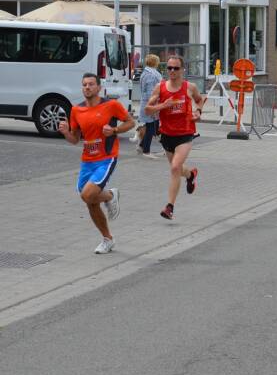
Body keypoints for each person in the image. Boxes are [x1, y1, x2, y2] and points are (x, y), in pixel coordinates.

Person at [58, 73, 135, 254]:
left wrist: (114, 129)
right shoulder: (76, 110)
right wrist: (65, 132)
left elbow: (131, 123)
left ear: (99, 88)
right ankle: (108, 239)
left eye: (91, 84)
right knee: (90, 201)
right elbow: (75, 139)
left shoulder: (111, 105)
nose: (87, 87)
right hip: (87, 160)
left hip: (106, 157)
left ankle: (109, 196)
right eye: (84, 84)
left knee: (87, 194)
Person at [144, 55, 203, 220]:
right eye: (169, 68)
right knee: (177, 169)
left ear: (182, 69)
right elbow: (147, 109)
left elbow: (199, 100)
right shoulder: (160, 87)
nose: (172, 71)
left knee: (175, 167)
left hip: (185, 133)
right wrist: (163, 105)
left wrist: (198, 112)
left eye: (176, 68)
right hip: (167, 134)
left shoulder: (190, 87)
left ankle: (169, 207)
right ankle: (191, 175)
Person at [137, 54, 162, 159]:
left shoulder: (145, 73)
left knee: (153, 126)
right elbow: (151, 92)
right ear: (155, 62)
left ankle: (142, 145)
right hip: (151, 104)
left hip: (147, 103)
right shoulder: (151, 75)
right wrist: (153, 106)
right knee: (151, 127)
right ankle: (146, 151)